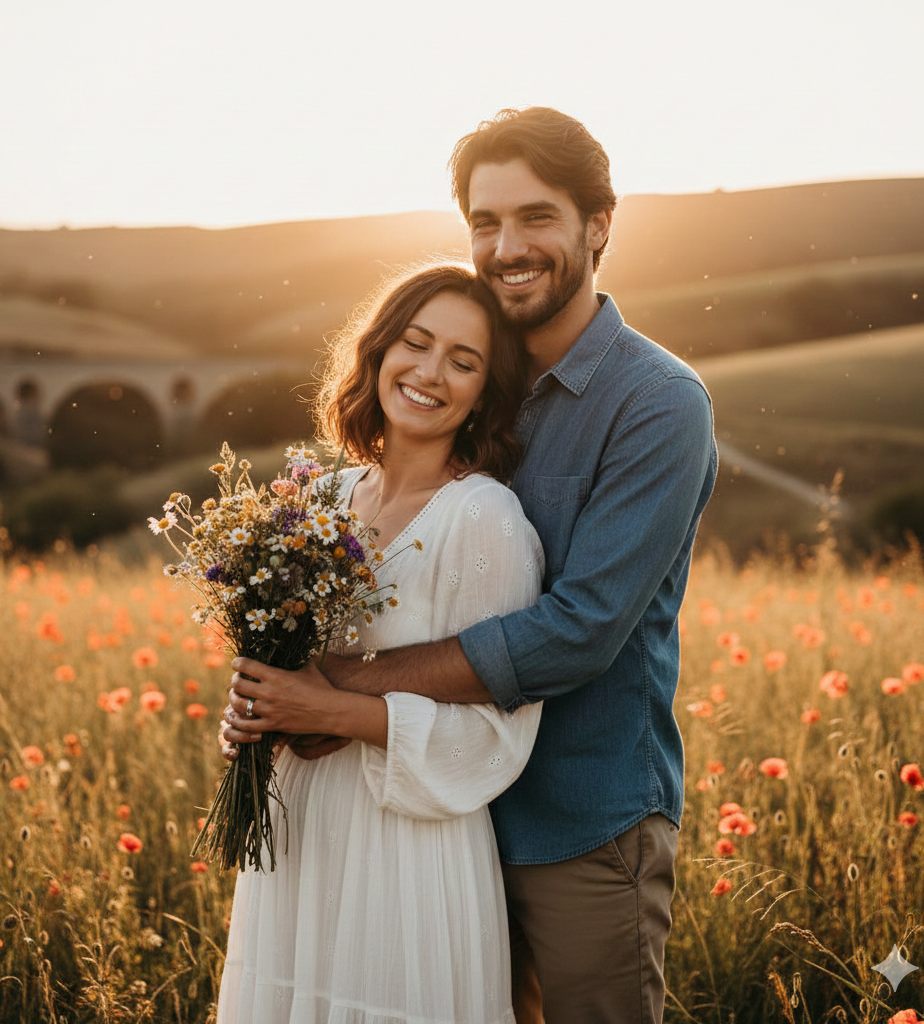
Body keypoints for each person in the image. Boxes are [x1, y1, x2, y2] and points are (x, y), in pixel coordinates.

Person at [225, 107, 718, 1024]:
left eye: (536, 217)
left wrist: (340, 691)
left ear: (598, 225)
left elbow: (579, 631)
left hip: (579, 818)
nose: (507, 246)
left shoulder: (656, 403)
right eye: (485, 222)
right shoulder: (473, 385)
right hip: (430, 824)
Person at [216, 263, 546, 1024]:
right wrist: (253, 709)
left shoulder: (484, 520)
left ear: (484, 393)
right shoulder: (324, 500)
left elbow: (501, 732)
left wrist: (331, 712)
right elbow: (281, 660)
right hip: (300, 834)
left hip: (407, 849)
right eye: (416, 343)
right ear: (380, 351)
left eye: (463, 362)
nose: (430, 372)